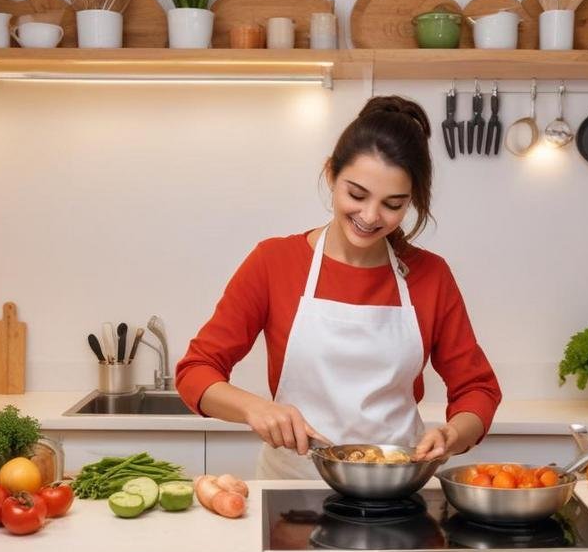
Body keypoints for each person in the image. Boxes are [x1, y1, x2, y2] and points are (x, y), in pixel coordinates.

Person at [175, 95, 502, 480]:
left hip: (396, 485)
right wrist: (256, 409)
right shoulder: (273, 262)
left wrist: (453, 433)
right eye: (357, 194)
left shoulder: (430, 275)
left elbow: (477, 389)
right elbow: (195, 372)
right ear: (331, 174)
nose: (369, 216)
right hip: (293, 485)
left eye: (393, 204)